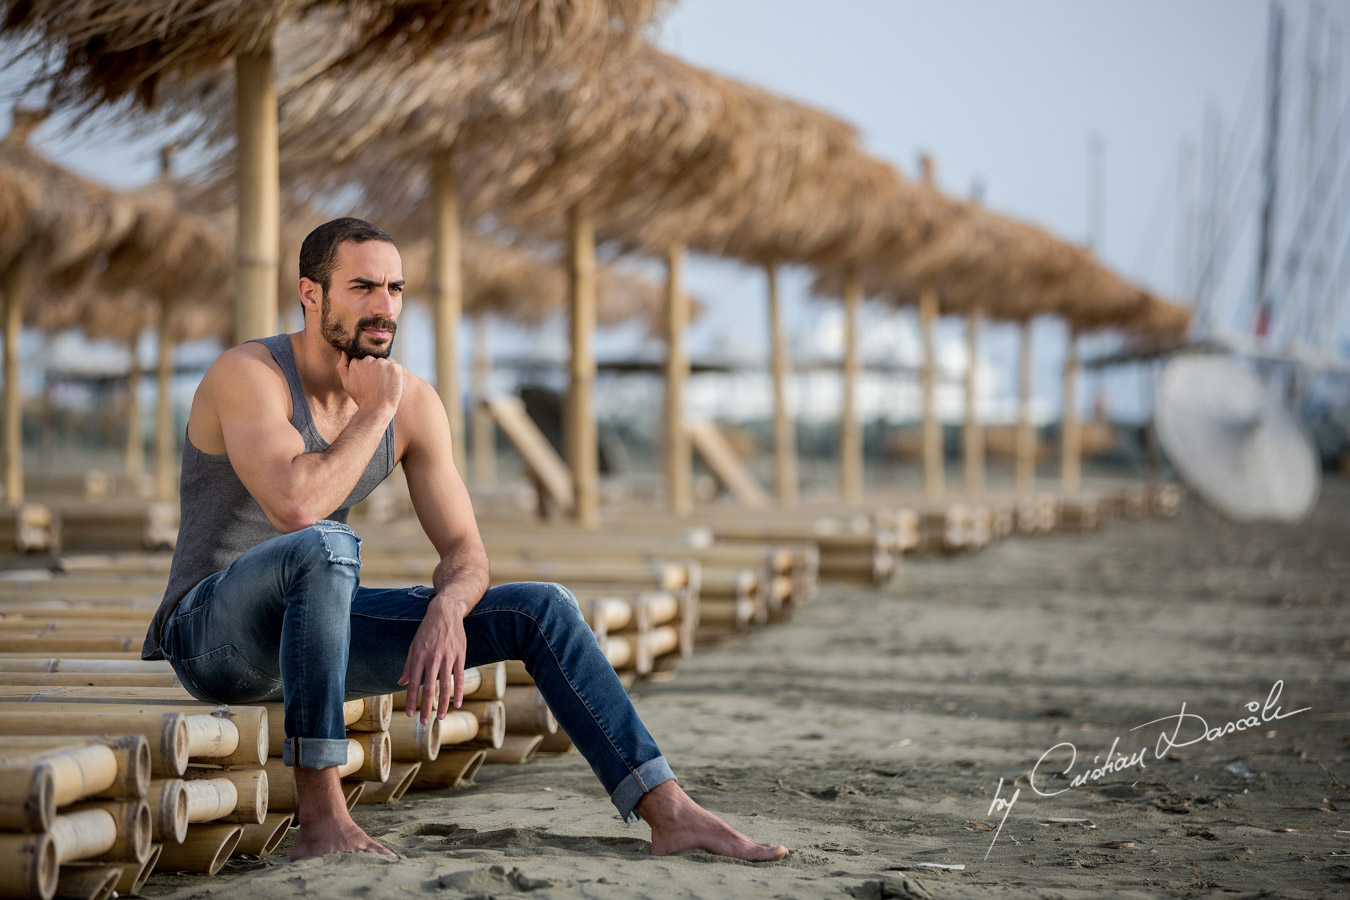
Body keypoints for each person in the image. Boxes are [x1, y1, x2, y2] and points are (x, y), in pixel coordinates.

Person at [140, 217, 787, 863]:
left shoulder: (414, 403)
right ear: (311, 294)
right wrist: (375, 412)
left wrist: (447, 610)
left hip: (316, 635)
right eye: (362, 286)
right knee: (328, 545)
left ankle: (667, 809)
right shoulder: (250, 374)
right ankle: (322, 818)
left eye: (394, 288)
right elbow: (297, 506)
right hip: (211, 635)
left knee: (541, 608)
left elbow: (465, 551)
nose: (384, 306)